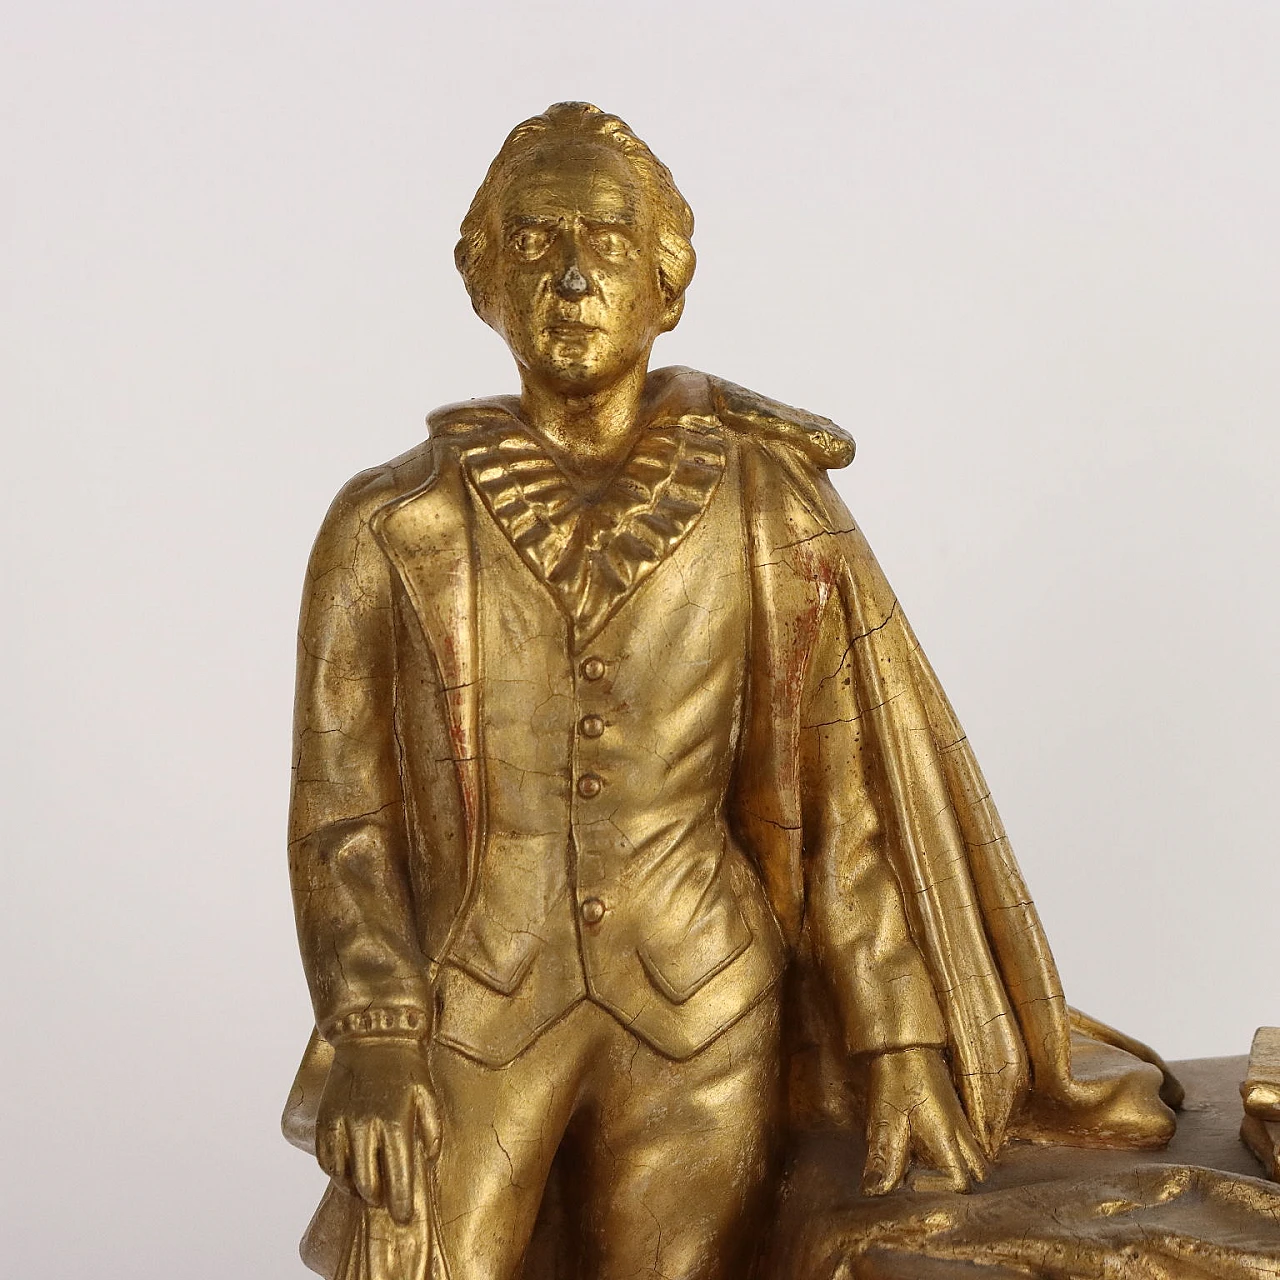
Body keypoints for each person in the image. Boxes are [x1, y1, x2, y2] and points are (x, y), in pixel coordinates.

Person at [282, 102, 1177, 1280]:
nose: (568, 277)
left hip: (701, 1007)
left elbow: (844, 798)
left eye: (605, 243)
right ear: (481, 279)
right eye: (534, 241)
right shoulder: (390, 524)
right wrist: (373, 1028)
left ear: (666, 283)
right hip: (472, 1006)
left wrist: (898, 1034)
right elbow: (344, 818)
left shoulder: (766, 501)